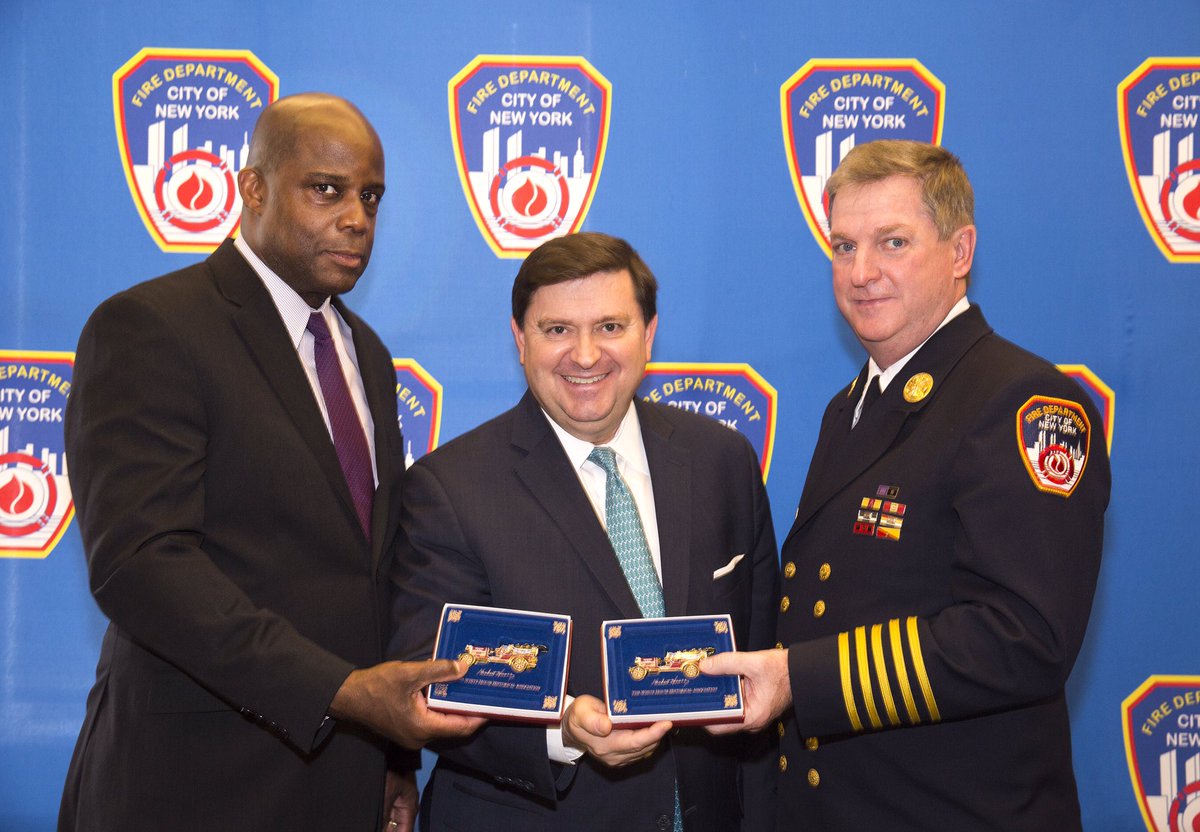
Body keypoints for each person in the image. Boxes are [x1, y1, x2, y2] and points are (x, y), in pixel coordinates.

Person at [59, 93, 481, 832]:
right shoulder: (151, 327)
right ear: (252, 187)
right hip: (193, 787)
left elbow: (368, 577)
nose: (356, 217)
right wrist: (341, 692)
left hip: (342, 784)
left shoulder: (368, 355)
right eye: (326, 189)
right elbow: (141, 565)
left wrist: (390, 758)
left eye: (371, 197)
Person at [703, 140, 1110, 830]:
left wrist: (800, 678)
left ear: (960, 252)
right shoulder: (853, 405)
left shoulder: (1024, 401)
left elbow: (1023, 636)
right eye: (843, 246)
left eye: (893, 242)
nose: (861, 272)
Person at [389, 231, 779, 831]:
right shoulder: (450, 488)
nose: (587, 354)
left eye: (610, 327)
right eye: (557, 330)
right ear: (520, 340)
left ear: (649, 335)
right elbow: (428, 683)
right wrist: (562, 728)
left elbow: (761, 654)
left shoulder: (721, 460)